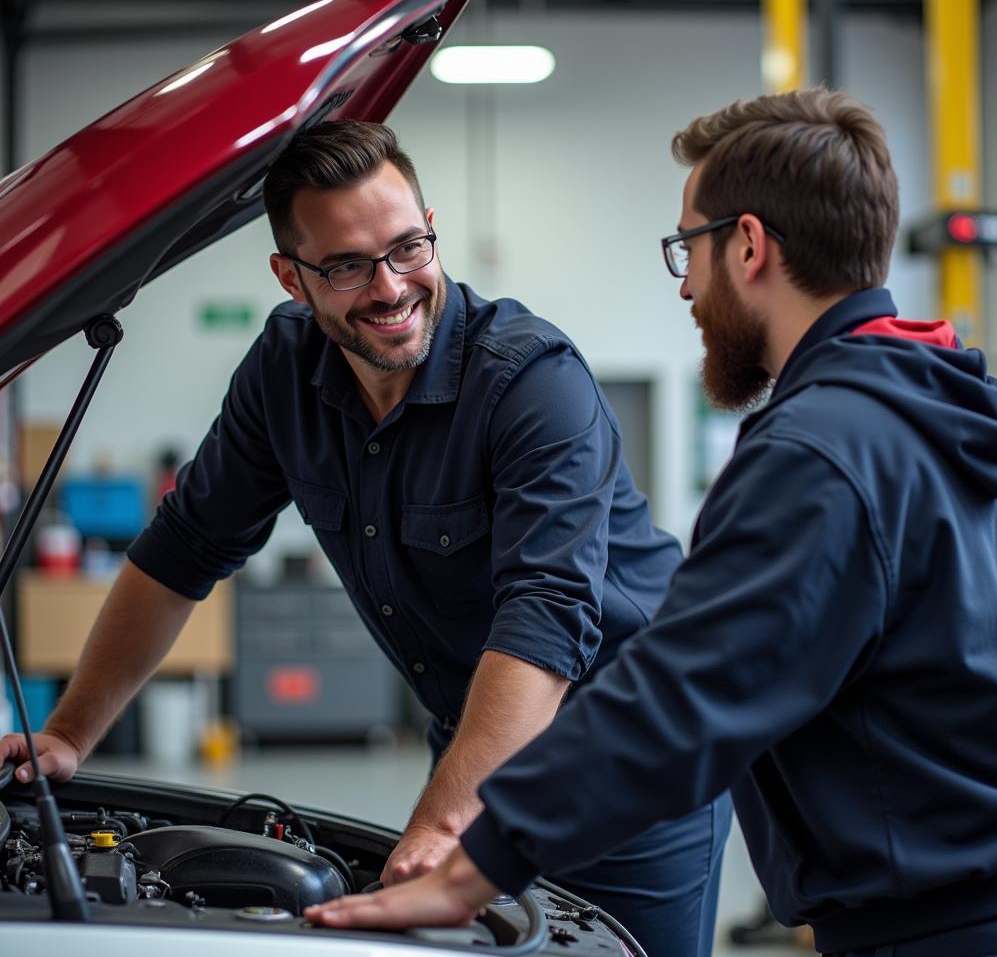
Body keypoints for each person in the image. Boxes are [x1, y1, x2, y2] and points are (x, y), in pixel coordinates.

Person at [306, 88, 997, 957]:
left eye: (689, 245)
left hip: (932, 931)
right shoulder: (959, 407)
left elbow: (680, 700)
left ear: (749, 245)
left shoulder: (820, 450)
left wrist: (474, 867)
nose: (685, 282)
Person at [0, 121, 730, 957]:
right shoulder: (284, 372)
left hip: (632, 760)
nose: (390, 287)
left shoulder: (533, 383)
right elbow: (181, 553)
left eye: (408, 247)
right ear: (291, 276)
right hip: (478, 742)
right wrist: (69, 734)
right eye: (347, 265)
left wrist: (443, 823)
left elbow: (547, 613)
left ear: (432, 226)